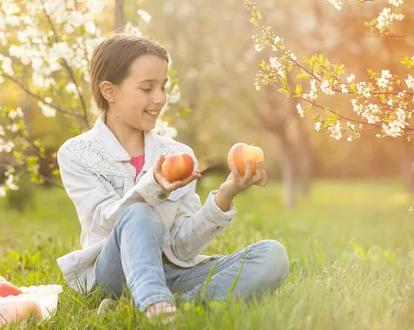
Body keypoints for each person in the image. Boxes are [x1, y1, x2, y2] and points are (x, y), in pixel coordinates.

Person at [56, 34, 289, 323]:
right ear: (109, 91)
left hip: (174, 274)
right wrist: (153, 188)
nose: (160, 99)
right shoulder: (77, 153)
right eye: (147, 88)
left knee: (272, 255)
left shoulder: (178, 154)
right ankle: (155, 306)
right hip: (115, 278)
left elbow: (182, 248)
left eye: (163, 87)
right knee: (138, 212)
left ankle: (172, 306)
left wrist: (226, 194)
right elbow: (107, 221)